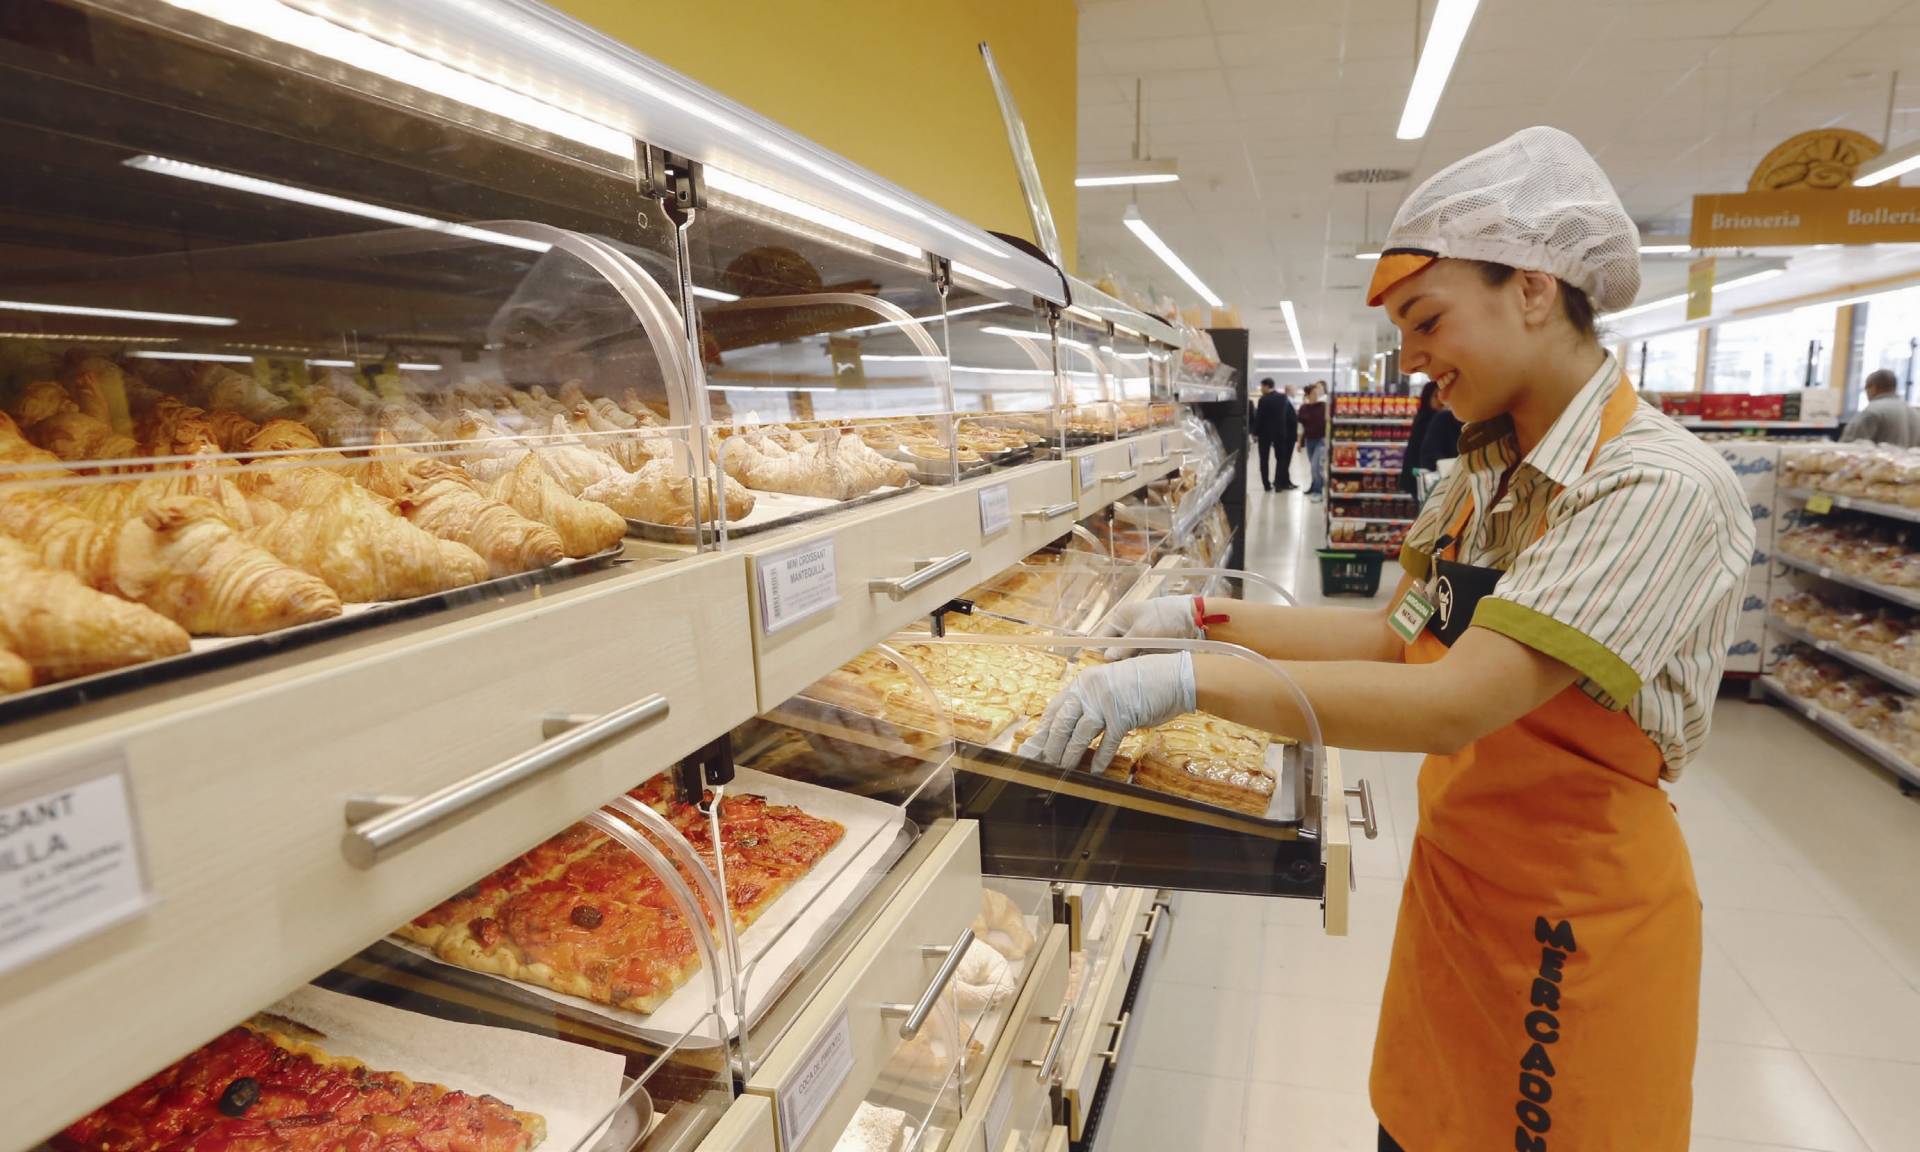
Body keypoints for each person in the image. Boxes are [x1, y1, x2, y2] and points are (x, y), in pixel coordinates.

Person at [1017, 126, 1752, 1152]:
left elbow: (1459, 700)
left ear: (1533, 289)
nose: (1407, 359)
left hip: (1574, 925)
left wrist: (1188, 683)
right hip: (1459, 891)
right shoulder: (1479, 477)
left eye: (1427, 318)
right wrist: (1201, 617)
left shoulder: (1654, 488)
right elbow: (1392, 635)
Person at [1398, 377, 1464, 497]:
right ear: (1427, 397)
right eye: (1435, 396)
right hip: (1424, 475)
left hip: (1430, 475)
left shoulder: (1444, 418)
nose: (1440, 399)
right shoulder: (1430, 419)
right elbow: (1424, 452)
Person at [1840, 368, 1917, 446]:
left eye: (1866, 388)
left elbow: (1847, 448)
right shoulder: (1914, 413)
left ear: (1873, 388)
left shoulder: (1872, 411)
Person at [1253, 377, 1298, 491]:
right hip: (1280, 433)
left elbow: (1259, 418)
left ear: (1267, 386)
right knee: (1281, 458)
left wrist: (1255, 432)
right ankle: (1278, 484)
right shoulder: (1283, 398)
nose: (1261, 389)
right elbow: (1290, 416)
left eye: (1262, 387)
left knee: (1264, 459)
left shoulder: (1263, 399)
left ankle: (1266, 485)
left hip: (1264, 434)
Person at [1298, 381, 1328, 498]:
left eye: (1317, 393)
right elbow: (1300, 426)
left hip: (1321, 440)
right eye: (1314, 393)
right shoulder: (1303, 408)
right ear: (1308, 395)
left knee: (1316, 466)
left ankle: (1318, 492)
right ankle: (1314, 486)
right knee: (1313, 466)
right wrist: (1299, 442)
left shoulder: (1324, 406)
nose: (1316, 395)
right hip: (1309, 440)